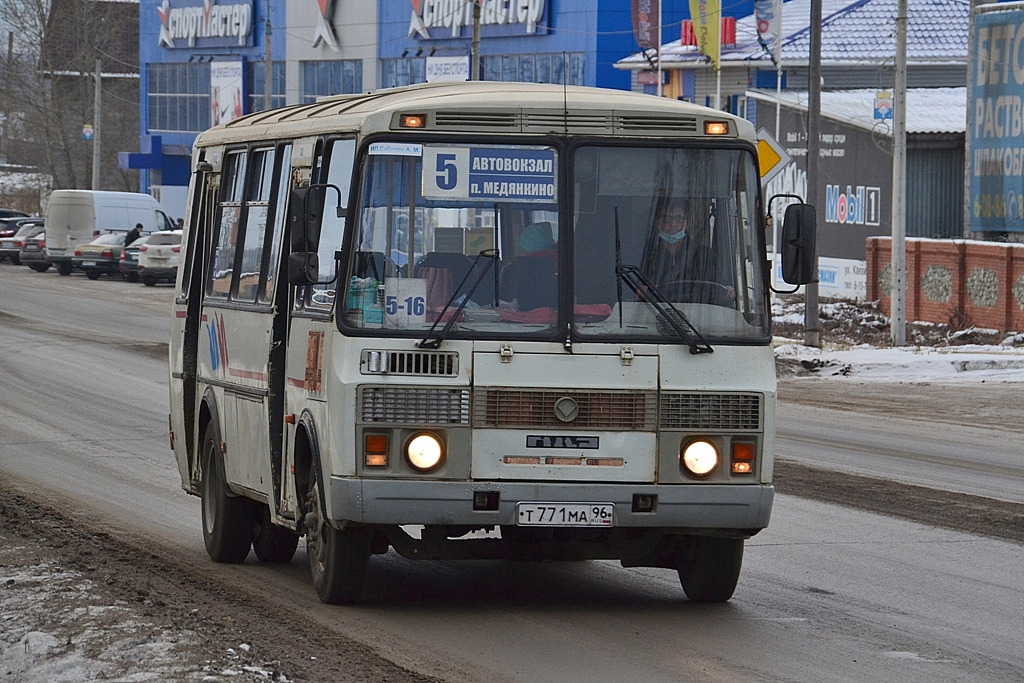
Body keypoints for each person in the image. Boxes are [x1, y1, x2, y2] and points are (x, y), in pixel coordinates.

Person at [640, 198, 735, 304]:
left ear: (687, 222)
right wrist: (639, 290)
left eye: (679, 218)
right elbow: (630, 287)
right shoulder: (644, 254)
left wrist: (728, 290)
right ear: (657, 222)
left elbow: (719, 283)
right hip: (652, 314)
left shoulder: (704, 254)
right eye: (666, 219)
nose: (673, 224)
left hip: (698, 315)